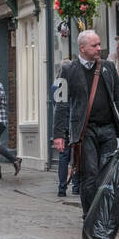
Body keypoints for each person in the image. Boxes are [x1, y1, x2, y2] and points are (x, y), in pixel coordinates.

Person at [53, 30, 119, 215]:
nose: (99, 48)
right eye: (94, 45)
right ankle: (89, 215)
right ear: (82, 48)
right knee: (89, 174)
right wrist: (59, 134)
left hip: (108, 130)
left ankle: (105, 213)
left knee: (107, 174)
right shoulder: (68, 70)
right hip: (84, 131)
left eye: (99, 44)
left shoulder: (107, 67)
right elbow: (61, 103)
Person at [51, 59, 72, 196]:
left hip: (62, 124)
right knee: (77, 155)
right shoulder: (67, 85)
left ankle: (62, 188)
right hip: (71, 124)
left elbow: (56, 106)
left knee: (64, 157)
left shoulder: (54, 85)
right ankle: (76, 186)